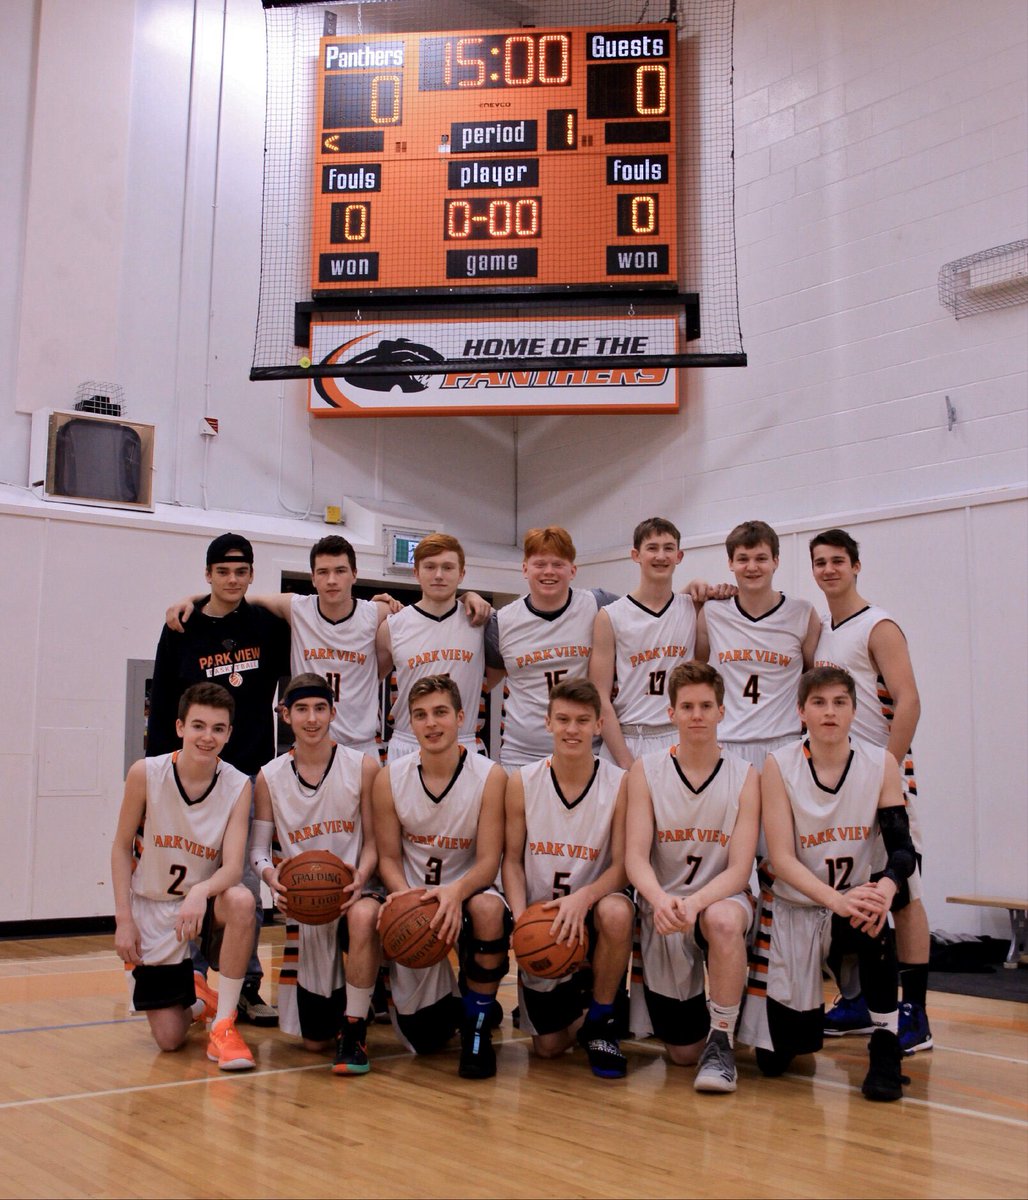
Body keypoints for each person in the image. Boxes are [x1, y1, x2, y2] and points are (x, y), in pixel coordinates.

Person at [738, 667, 915, 1103]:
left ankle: (886, 1044)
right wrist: (840, 901)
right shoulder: (779, 765)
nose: (830, 712)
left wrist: (887, 889)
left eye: (840, 702)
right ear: (801, 711)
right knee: (776, 1062)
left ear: (855, 710)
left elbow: (902, 851)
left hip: (852, 905)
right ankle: (773, 1012)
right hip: (795, 909)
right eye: (819, 703)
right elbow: (781, 859)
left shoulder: (882, 763)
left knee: (877, 917)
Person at [147, 532, 290, 1025]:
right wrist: (157, 781)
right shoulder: (181, 629)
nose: (232, 579)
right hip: (188, 779)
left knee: (242, 888)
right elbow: (163, 704)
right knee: (190, 883)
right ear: (207, 574)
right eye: (223, 571)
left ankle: (244, 986)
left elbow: (315, 608)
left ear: (251, 576)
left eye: (242, 571)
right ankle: (188, 982)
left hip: (246, 776)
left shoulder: (268, 627)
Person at [809, 528, 932, 1054]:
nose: (830, 569)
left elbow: (909, 701)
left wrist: (889, 769)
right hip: (836, 781)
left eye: (838, 561)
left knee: (902, 893)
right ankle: (858, 1000)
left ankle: (916, 1015)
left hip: (882, 781)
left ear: (856, 565)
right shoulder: (824, 633)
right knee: (844, 890)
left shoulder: (877, 626)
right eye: (820, 562)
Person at [625, 662, 760, 1092]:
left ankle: (721, 1039)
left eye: (706, 706)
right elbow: (635, 856)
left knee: (721, 920)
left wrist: (695, 904)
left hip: (720, 900)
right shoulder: (645, 771)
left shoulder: (746, 776)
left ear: (722, 711)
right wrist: (660, 900)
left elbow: (740, 870)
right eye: (687, 706)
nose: (697, 715)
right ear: (672, 713)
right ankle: (713, 1016)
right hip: (665, 905)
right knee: (682, 1055)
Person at [112, 683, 257, 1070]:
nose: (207, 737)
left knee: (242, 900)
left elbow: (232, 866)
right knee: (170, 1041)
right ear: (179, 727)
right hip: (154, 906)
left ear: (228, 734)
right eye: (198, 726)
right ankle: (196, 996)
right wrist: (124, 920)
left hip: (203, 906)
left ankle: (224, 1024)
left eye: (218, 728)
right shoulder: (146, 773)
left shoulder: (238, 785)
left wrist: (201, 892)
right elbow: (121, 847)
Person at [373, 675, 509, 1077]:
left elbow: (488, 862)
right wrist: (409, 900)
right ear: (409, 723)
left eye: (440, 713)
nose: (431, 724)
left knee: (487, 909)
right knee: (425, 1040)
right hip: (414, 897)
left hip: (467, 893)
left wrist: (453, 893)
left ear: (461, 717)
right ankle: (458, 998)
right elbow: (387, 859)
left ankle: (477, 1027)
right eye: (420, 715)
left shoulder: (490, 776)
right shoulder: (389, 778)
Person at [502, 679, 633, 1079]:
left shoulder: (621, 783)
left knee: (617, 911)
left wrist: (585, 899)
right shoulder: (521, 781)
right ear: (547, 723)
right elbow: (510, 860)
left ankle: (602, 1020)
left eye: (581, 720)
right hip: (545, 924)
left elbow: (623, 867)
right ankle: (585, 1001)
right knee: (548, 1049)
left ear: (598, 726)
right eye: (563, 719)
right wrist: (523, 918)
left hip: (591, 914)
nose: (571, 729)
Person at [252, 674, 381, 1074]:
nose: (312, 719)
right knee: (313, 1044)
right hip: (308, 906)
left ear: (333, 712)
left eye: (320, 709)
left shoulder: (362, 766)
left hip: (355, 894)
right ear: (286, 714)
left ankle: (356, 1026)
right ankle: (347, 1006)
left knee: (362, 916)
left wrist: (361, 875)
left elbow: (376, 842)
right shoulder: (269, 776)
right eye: (303, 710)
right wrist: (270, 875)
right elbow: (258, 850)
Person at [486, 527, 620, 769]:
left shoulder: (598, 604)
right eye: (540, 564)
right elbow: (479, 684)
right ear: (525, 568)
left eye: (558, 564)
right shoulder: (501, 622)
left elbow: (646, 614)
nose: (549, 572)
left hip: (587, 748)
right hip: (521, 755)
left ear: (573, 570)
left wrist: (689, 595)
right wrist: (465, 599)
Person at [695, 520, 820, 770]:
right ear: (730, 563)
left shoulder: (803, 613)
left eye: (761, 558)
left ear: (776, 560)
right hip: (727, 741)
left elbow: (813, 679)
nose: (752, 567)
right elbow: (696, 674)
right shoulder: (712, 613)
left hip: (785, 742)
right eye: (743, 559)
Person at [589, 517, 700, 768]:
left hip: (679, 735)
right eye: (652, 548)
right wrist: (626, 762)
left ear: (679, 556)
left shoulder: (693, 606)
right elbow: (599, 697)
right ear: (636, 555)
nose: (661, 555)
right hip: (628, 737)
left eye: (668, 548)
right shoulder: (610, 616)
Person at [376, 534, 490, 762]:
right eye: (430, 567)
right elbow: (366, 683)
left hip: (464, 742)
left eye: (448, 567)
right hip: (407, 744)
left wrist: (471, 596)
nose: (439, 575)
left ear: (462, 574)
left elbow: (493, 677)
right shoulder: (392, 626)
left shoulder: (481, 621)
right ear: (416, 572)